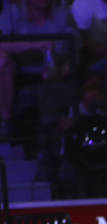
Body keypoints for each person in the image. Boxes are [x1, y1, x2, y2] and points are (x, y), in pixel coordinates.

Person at [0, 0, 73, 138]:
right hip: (19, 71)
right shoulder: (11, 13)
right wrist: (36, 45)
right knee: (1, 62)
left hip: (54, 72)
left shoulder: (62, 15)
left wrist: (62, 69)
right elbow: (1, 44)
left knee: (64, 82)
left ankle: (58, 144)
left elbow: (74, 50)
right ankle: (6, 121)